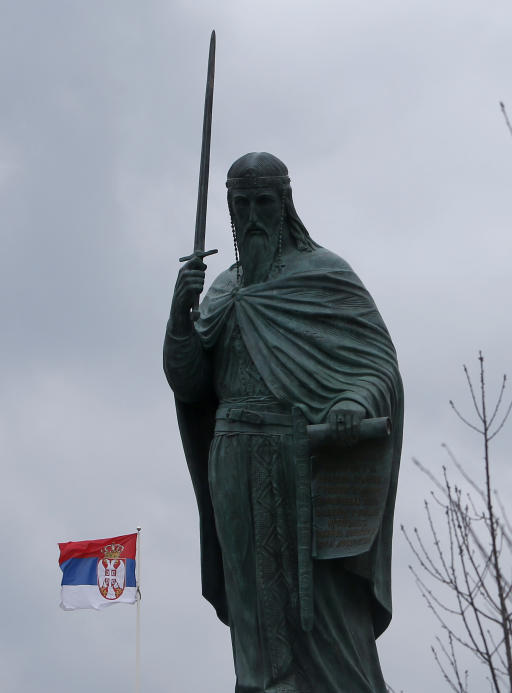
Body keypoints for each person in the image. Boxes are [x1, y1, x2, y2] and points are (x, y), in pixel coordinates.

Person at [164, 152, 403, 692]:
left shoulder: (325, 276)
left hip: (305, 466)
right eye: (240, 204)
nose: (251, 216)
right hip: (234, 461)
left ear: (284, 205)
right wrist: (182, 316)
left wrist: (354, 403)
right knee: (254, 618)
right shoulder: (222, 290)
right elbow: (189, 383)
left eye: (263, 203)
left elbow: (379, 367)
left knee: (324, 609)